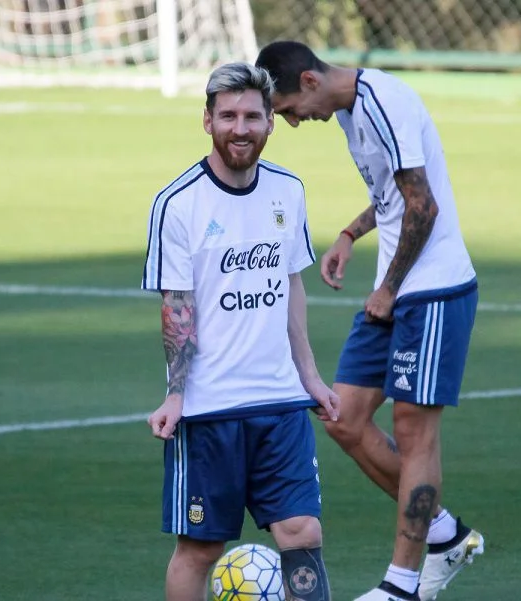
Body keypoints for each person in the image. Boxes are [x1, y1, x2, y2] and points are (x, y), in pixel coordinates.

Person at [256, 41, 484, 601]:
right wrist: (350, 234)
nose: (290, 122)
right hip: (397, 288)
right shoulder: (351, 112)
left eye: (286, 109)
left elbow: (423, 206)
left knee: (413, 428)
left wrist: (386, 288)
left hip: (431, 291)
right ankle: (446, 533)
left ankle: (402, 585)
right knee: (343, 417)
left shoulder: (386, 102)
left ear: (309, 81)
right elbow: (393, 196)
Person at [143, 62, 338, 601]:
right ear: (207, 121)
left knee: (303, 533)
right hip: (209, 410)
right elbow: (177, 305)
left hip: (279, 403)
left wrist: (311, 378)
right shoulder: (178, 204)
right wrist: (177, 395)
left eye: (253, 115)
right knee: (199, 550)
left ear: (271, 122)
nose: (240, 128)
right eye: (227, 115)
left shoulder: (287, 191)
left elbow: (290, 286)